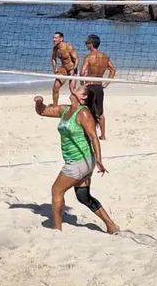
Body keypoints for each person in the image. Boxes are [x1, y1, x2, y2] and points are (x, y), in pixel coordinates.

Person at [33, 85, 120, 234]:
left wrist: (99, 159)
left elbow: (94, 136)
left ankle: (57, 230)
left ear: (84, 96)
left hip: (80, 161)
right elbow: (43, 111)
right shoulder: (65, 110)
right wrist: (39, 103)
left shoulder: (83, 114)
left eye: (79, 88)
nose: (75, 87)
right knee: (83, 196)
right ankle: (111, 225)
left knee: (56, 191)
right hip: (82, 162)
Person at [80, 34, 116, 140]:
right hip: (99, 87)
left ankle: (89, 133)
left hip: (90, 87)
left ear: (91, 44)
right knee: (100, 112)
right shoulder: (105, 56)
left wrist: (82, 86)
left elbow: (82, 73)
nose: (86, 45)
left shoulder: (88, 57)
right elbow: (113, 70)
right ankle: (103, 135)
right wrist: (106, 83)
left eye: (86, 43)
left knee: (87, 111)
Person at [51, 31, 80, 105]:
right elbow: (53, 59)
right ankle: (55, 106)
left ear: (61, 39)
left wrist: (73, 70)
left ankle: (76, 105)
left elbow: (76, 59)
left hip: (72, 69)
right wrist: (55, 68)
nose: (54, 39)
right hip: (63, 69)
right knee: (55, 87)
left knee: (72, 89)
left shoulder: (68, 47)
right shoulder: (55, 49)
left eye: (56, 38)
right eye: (53, 38)